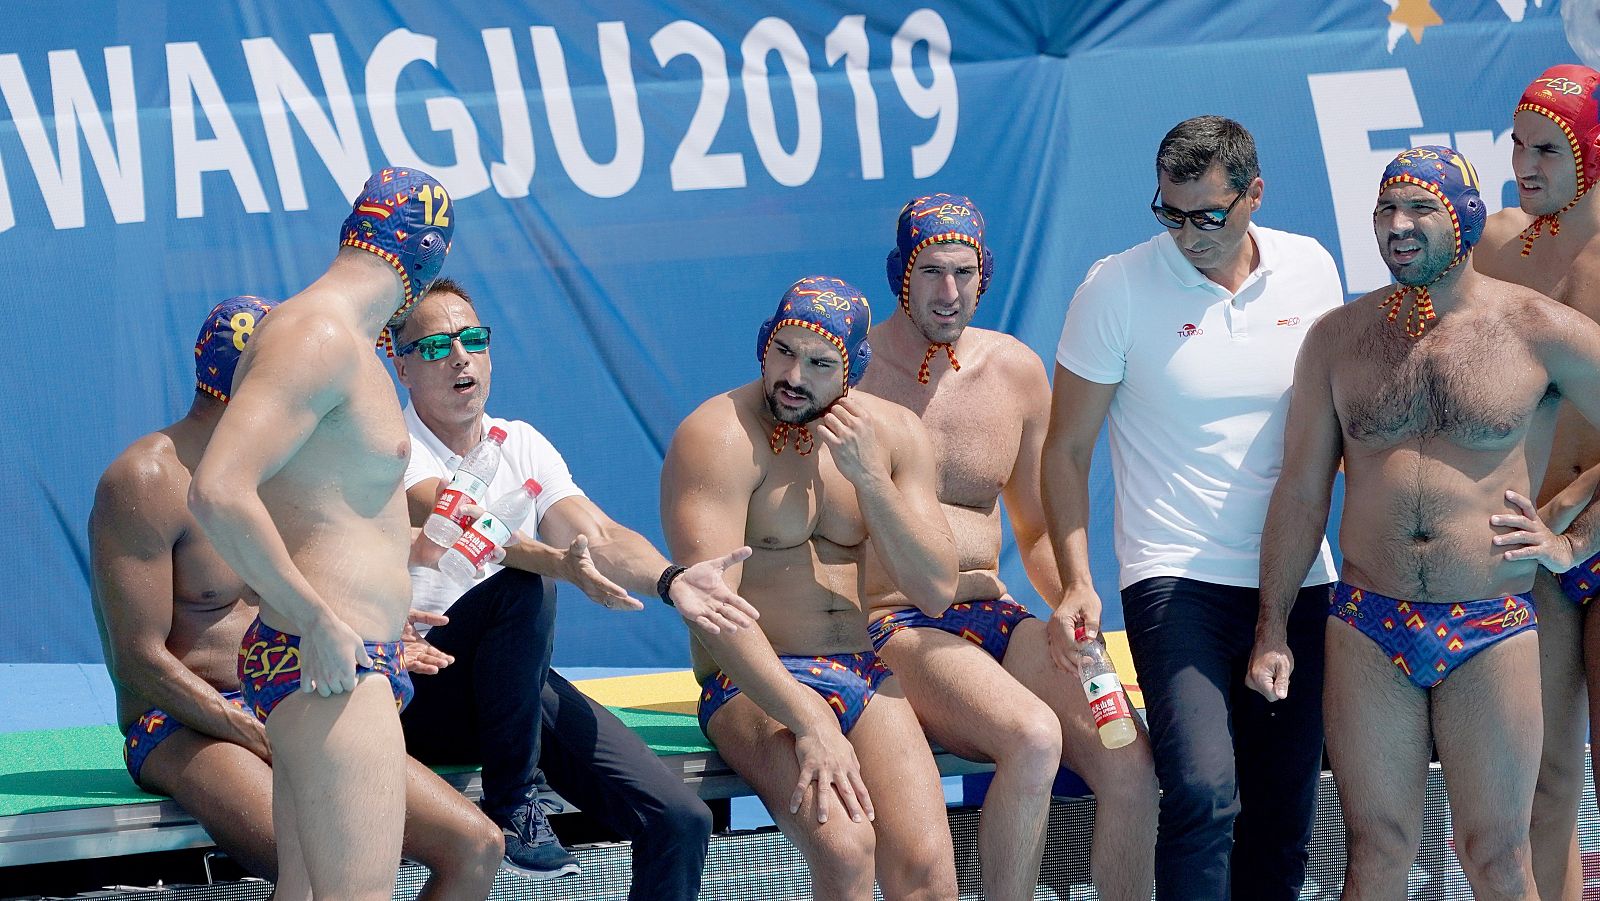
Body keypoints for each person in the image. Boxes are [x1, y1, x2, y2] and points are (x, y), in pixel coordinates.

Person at [1247, 145, 1600, 900]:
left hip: (1491, 622)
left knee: (1497, 855)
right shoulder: (1339, 338)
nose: (1398, 226)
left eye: (1419, 209)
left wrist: (1572, 540)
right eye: (1386, 210)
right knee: (1376, 850)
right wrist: (1271, 626)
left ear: (1465, 218)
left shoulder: (1534, 327)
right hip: (1368, 622)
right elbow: (1302, 493)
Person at [90, 295, 502, 897]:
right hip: (182, 722)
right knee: (312, 858)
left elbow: (318, 580)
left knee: (475, 846)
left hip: (290, 691)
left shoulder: (286, 467)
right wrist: (252, 730)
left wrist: (380, 623)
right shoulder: (147, 478)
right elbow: (138, 660)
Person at [1041, 116, 1342, 900]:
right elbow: (1065, 450)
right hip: (1176, 580)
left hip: (1297, 578)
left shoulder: (1311, 268)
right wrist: (1077, 579)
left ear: (1255, 194)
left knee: (1281, 817)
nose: (1187, 235)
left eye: (1208, 215)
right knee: (1205, 794)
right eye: (1170, 214)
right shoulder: (1115, 288)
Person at [393, 278, 758, 895]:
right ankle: (514, 800)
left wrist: (670, 581)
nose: (459, 357)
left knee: (680, 820)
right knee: (523, 584)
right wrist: (556, 564)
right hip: (413, 691)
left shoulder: (521, 443)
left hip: (510, 691)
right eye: (434, 347)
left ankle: (520, 790)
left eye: (473, 340)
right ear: (401, 367)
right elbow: (457, 518)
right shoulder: (391, 450)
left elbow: (599, 534)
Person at [857, 194, 1157, 901]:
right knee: (1032, 737)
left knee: (1131, 765)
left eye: (963, 273)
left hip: (995, 613)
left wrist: (1073, 595)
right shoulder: (853, 374)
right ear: (900, 273)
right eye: (931, 272)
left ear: (984, 274)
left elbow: (1037, 529)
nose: (949, 292)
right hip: (894, 622)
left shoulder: (1014, 372)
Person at [188, 167, 456, 900]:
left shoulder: (339, 341)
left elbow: (322, 508)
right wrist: (316, 617)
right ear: (427, 254)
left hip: (335, 653)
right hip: (329, 660)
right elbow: (217, 489)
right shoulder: (320, 335)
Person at [661, 276, 959, 900]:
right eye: (783, 352)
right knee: (846, 851)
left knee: (927, 874)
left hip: (862, 669)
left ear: (853, 371)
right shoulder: (719, 435)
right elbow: (712, 610)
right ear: (763, 344)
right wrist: (808, 719)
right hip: (752, 679)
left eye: (820, 364)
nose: (794, 377)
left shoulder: (894, 432)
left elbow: (935, 590)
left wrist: (869, 480)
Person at [1473, 63, 1600, 901]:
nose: (1523, 165)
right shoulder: (1496, 248)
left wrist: (1576, 525)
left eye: (1548, 150)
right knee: (1545, 785)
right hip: (1536, 546)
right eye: (1517, 145)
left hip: (1580, 527)